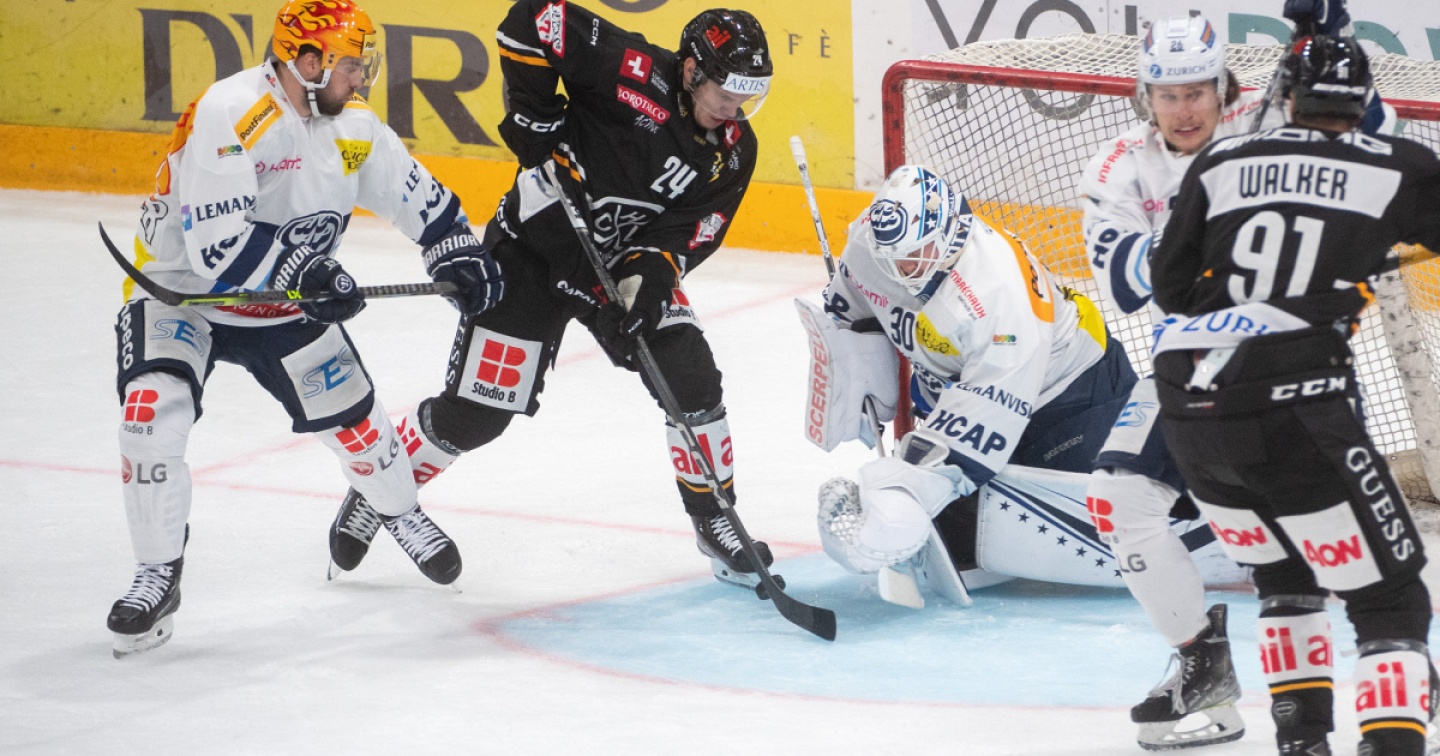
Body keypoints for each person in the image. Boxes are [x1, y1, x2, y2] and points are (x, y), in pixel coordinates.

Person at [325, 3, 779, 588]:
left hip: (617, 267)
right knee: (477, 417)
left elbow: (686, 233)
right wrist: (534, 115)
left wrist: (645, 290)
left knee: (691, 378)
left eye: (747, 97)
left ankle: (715, 519)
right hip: (534, 250)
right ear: (691, 70)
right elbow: (533, 17)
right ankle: (381, 488)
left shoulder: (734, 150)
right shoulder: (629, 67)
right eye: (725, 92)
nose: (732, 109)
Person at [107, 0, 504, 657]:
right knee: (149, 419)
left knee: (360, 427)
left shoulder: (353, 126)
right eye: (351, 65)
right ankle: (157, 573)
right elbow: (217, 248)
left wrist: (455, 250)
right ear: (308, 61)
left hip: (283, 305)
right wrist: (308, 271)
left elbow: (413, 196)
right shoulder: (232, 111)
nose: (361, 78)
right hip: (183, 296)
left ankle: (400, 512)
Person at [1152, 34, 1440, 756]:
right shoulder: (1400, 164)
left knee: (1286, 576)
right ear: (1366, 102)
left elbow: (1170, 289)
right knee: (1391, 601)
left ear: (1285, 97)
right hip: (1296, 412)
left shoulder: (1221, 159)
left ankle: (1302, 744)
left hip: (1190, 413)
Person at [808, 164, 1173, 595]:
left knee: (1123, 522)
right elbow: (853, 310)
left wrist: (907, 489)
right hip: (966, 387)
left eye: (916, 254)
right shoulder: (872, 242)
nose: (902, 269)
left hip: (1076, 396)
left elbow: (989, 416)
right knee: (961, 543)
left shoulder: (997, 291)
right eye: (892, 258)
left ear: (950, 233)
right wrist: (859, 361)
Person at [1077, 14, 1261, 749]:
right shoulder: (1118, 168)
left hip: (1287, 361)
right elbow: (1126, 286)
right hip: (1188, 361)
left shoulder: (1271, 127)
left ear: (1223, 88)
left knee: (1312, 538)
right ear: (1144, 97)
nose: (1184, 110)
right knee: (1118, 497)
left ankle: (1410, 668)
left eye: (1197, 92)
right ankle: (1201, 667)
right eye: (1167, 94)